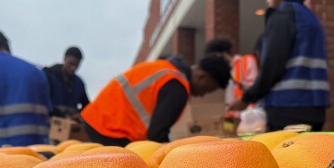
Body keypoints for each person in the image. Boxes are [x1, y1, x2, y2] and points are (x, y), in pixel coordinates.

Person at [229, 0, 330, 131]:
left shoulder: (282, 16)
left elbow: (272, 65)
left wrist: (246, 98)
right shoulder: (312, 19)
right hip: (315, 109)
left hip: (286, 107)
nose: (267, 1)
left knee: (283, 153)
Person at [81, 54, 230, 146]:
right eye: (208, 89)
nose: (203, 94)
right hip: (110, 128)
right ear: (203, 77)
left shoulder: (167, 69)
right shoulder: (177, 86)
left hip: (100, 119)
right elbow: (157, 135)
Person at [205, 39, 259, 131]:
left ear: (224, 53)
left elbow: (256, 87)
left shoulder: (246, 61)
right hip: (234, 120)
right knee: (230, 139)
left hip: (251, 116)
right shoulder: (226, 72)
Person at [43, 46, 90, 120]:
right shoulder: (48, 76)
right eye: (70, 64)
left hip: (71, 126)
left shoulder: (79, 83)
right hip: (50, 123)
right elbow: (42, 100)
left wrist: (79, 115)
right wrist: (59, 113)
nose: (73, 68)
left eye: (76, 66)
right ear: (64, 59)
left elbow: (87, 106)